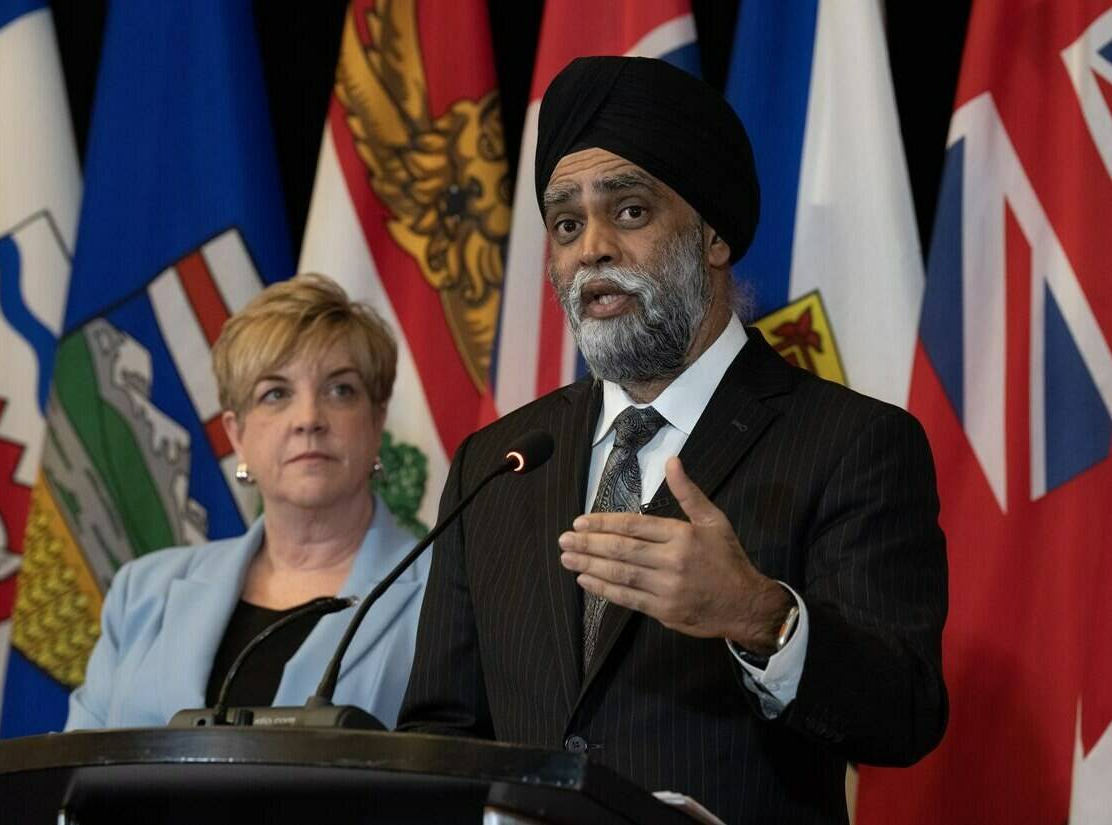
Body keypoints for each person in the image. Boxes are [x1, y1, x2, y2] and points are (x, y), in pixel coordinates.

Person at [397, 57, 947, 823]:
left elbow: (905, 715)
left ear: (712, 235)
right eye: (565, 224)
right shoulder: (501, 461)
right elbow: (440, 731)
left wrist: (761, 616)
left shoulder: (852, 443)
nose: (590, 248)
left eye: (627, 211)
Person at [66, 273, 428, 730]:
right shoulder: (142, 595)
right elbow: (75, 774)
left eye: (340, 390)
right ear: (237, 435)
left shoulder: (444, 595)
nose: (309, 419)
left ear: (376, 422)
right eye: (276, 394)